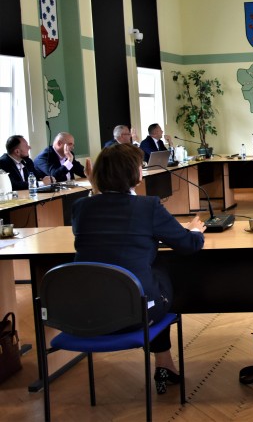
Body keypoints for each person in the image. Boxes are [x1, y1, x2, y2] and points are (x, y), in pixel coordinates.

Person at [71, 143, 205, 395]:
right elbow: (189, 245)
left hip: (86, 313)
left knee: (140, 271)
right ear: (137, 175)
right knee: (160, 268)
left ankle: (164, 363)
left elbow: (106, 218)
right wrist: (196, 230)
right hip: (135, 313)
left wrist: (95, 188)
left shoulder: (80, 207)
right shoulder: (148, 206)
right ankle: (163, 362)